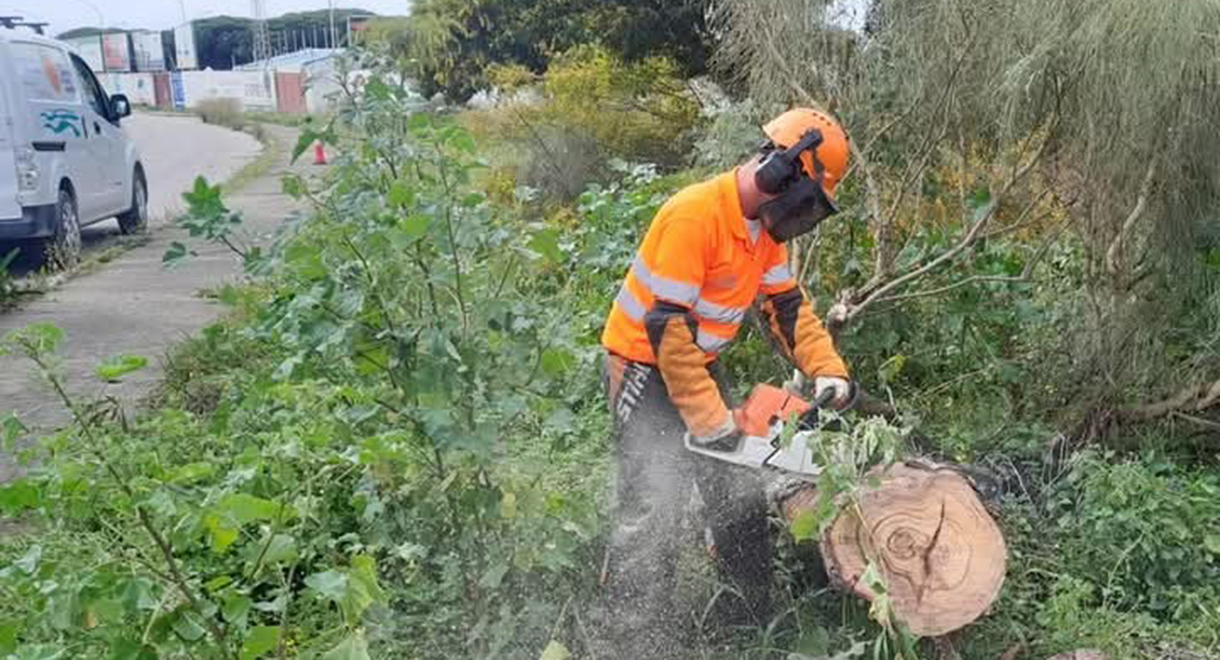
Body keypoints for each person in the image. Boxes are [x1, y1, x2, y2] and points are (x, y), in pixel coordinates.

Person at [598, 107, 855, 657]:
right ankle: (633, 638)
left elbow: (787, 309)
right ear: (780, 174)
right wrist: (711, 422)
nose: (806, 214)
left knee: (735, 493)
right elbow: (665, 327)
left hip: (699, 362)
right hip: (644, 365)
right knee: (653, 504)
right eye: (808, 198)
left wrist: (828, 371)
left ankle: (745, 624)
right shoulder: (695, 216)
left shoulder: (763, 236)